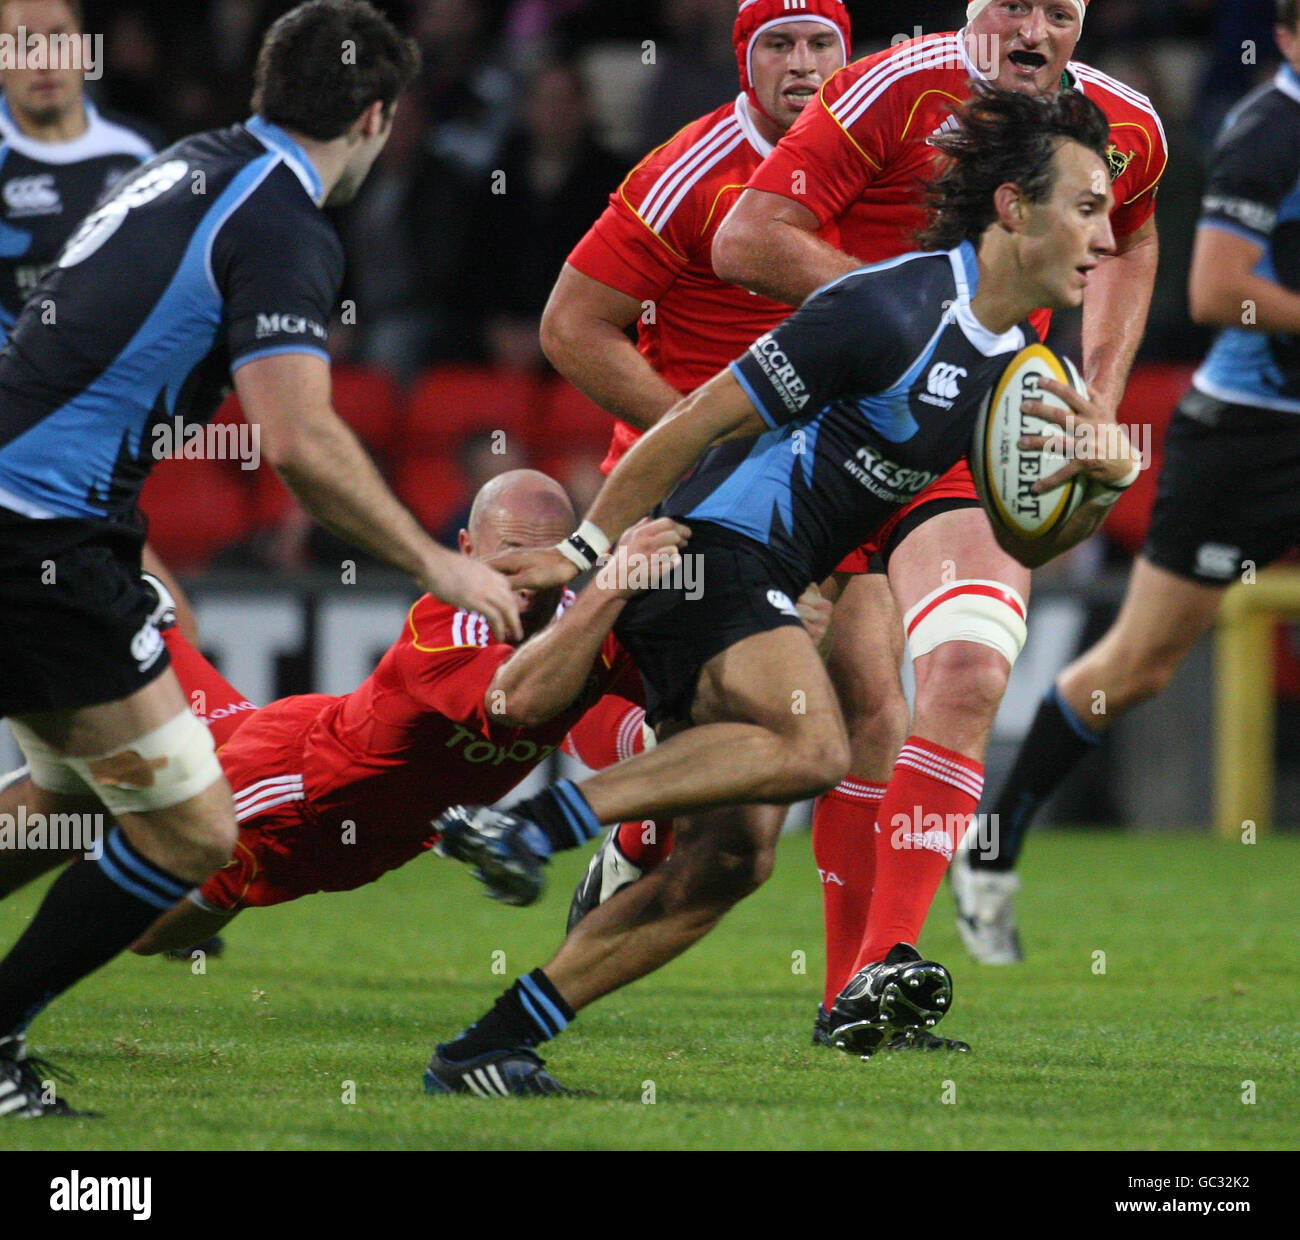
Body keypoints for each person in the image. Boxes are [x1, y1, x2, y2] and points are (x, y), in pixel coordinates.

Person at [424, 86, 1142, 1096]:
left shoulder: (1018, 363)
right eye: (1084, 207)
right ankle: (532, 827)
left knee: (729, 864)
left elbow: (1036, 532)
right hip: (705, 549)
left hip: (764, 578)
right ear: (1013, 210)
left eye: (1110, 212)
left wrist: (1101, 486)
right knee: (816, 743)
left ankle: (486, 1049)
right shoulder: (883, 306)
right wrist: (592, 552)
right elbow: (694, 426)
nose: (1105, 237)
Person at [0, 0, 520, 1120]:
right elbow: (296, 440)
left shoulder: (189, 165)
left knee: (62, 800)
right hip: (34, 527)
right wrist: (442, 563)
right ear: (377, 117)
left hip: (49, 519)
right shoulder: (283, 219)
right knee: (191, 831)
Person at [710, 0, 1166, 987]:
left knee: (965, 678)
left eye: (1058, 10)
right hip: (836, 423)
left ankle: (873, 979)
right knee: (785, 738)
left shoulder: (1126, 128)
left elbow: (1131, 238)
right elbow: (748, 238)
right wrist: (913, 323)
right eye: (1012, 5)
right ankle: (582, 828)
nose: (1032, 28)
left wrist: (1101, 395)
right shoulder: (890, 87)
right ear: (970, 10)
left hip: (969, 427)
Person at [0, 477, 690, 996]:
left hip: (368, 830)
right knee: (146, 928)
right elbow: (520, 701)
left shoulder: (583, 621)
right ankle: (81, 526)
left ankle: (108, 560)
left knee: (167, 639)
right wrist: (613, 589)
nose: (532, 576)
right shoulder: (450, 619)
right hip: (293, 788)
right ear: (468, 549)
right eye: (512, 553)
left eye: (548, 554)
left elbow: (645, 706)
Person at [954, 0, 1300, 958]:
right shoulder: (1270, 131)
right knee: (1138, 667)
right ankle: (991, 843)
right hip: (1253, 434)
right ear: (1287, 38)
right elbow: (1214, 289)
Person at [538, 0, 857, 1004]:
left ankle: (865, 972)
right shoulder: (690, 168)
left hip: (824, 495)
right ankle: (619, 821)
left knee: (835, 731)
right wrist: (703, 427)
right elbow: (571, 325)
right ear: (742, 58)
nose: (801, 65)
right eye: (778, 45)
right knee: (757, 731)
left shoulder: (884, 159)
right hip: (682, 494)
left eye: (820, 45)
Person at [0, 0, 153, 339]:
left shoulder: (141, 151)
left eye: (58, 39)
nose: (45, 61)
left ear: (85, 50)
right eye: (23, 44)